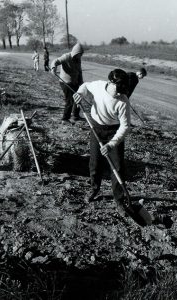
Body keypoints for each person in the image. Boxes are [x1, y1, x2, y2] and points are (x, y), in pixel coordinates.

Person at [73, 69, 130, 214]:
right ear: (111, 82)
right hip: (96, 128)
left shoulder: (123, 101)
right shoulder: (98, 86)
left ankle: (119, 200)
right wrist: (79, 93)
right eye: (118, 89)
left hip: (113, 132)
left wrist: (111, 144)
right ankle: (94, 189)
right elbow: (85, 86)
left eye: (122, 90)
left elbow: (125, 126)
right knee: (95, 162)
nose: (119, 93)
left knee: (117, 167)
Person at [51, 43, 84, 124]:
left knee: (78, 98)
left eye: (81, 54)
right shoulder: (66, 56)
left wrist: (81, 82)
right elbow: (55, 61)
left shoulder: (78, 59)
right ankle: (65, 119)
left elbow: (79, 71)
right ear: (75, 52)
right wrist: (53, 68)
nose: (80, 56)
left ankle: (75, 116)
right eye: (79, 54)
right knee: (69, 100)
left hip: (74, 82)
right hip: (65, 82)